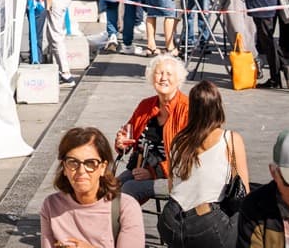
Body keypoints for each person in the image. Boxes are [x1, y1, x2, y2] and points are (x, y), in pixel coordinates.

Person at [157, 81, 249, 248]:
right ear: (218, 107)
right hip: (206, 222)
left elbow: (172, 185)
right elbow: (244, 192)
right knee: (242, 212)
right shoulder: (231, 139)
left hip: (170, 220)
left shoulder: (178, 140)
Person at [41, 126, 145, 248]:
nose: (81, 170)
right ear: (64, 167)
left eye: (90, 163)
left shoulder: (125, 207)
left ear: (102, 167)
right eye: (73, 162)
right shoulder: (51, 206)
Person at [115, 55, 190, 203]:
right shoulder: (145, 105)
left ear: (178, 79)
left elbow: (188, 156)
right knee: (110, 188)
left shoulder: (187, 110)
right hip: (140, 168)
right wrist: (121, 143)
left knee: (129, 190)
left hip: (176, 176)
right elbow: (128, 136)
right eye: (159, 73)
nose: (163, 78)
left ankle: (127, 225)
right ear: (152, 77)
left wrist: (152, 173)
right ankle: (109, 226)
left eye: (169, 74)